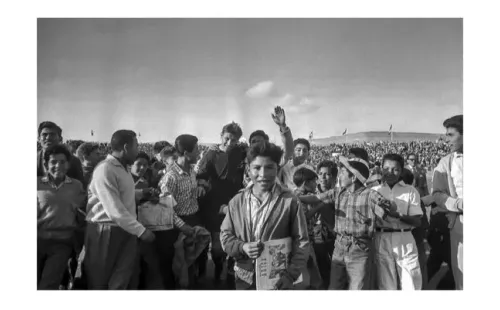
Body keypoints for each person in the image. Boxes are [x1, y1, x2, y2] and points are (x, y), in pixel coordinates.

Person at [220, 141, 309, 290]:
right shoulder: (237, 202)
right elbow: (225, 235)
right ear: (248, 170)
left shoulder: (289, 201)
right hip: (244, 279)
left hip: (278, 280)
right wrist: (243, 247)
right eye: (257, 168)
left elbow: (301, 241)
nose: (263, 174)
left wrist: (290, 275)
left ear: (277, 169)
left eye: (269, 167)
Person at [297, 156, 396, 290]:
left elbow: (388, 207)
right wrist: (294, 197)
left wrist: (388, 206)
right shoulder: (338, 192)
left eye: (343, 172)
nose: (339, 176)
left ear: (353, 178)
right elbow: (315, 198)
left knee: (357, 288)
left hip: (359, 249)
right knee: (335, 287)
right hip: (339, 247)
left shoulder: (370, 195)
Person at [84, 130, 156, 290]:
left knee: (121, 280)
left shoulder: (123, 169)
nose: (138, 150)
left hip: (126, 229)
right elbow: (113, 209)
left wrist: (143, 193)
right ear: (126, 147)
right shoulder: (105, 169)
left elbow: (122, 196)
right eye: (136, 146)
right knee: (101, 280)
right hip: (106, 230)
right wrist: (141, 231)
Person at [196, 122, 247, 285]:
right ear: (221, 136)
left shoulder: (241, 153)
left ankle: (231, 273)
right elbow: (201, 175)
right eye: (227, 138)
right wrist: (202, 185)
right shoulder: (211, 154)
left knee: (235, 240)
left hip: (235, 203)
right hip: (214, 203)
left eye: (233, 140)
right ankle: (217, 273)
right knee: (217, 245)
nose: (229, 143)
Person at [159, 134, 207, 287]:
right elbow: (166, 207)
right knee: (181, 265)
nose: (199, 153)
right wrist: (182, 226)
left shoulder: (191, 171)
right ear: (186, 153)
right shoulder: (170, 177)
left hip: (195, 219)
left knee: (194, 261)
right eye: (196, 150)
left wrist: (200, 187)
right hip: (179, 225)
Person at [37, 145, 86, 290]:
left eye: (62, 162)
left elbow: (84, 209)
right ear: (46, 165)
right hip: (36, 241)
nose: (58, 166)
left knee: (48, 285)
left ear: (68, 164)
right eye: (53, 162)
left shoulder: (76, 186)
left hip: (62, 243)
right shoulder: (36, 184)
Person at [372, 154, 423, 290]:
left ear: (401, 171)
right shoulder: (374, 191)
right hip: (382, 237)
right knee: (386, 284)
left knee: (411, 282)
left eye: (395, 169)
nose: (390, 173)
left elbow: (417, 221)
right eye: (386, 168)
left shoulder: (410, 191)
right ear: (381, 169)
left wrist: (398, 215)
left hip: (404, 238)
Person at [432, 115, 463, 290]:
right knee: (462, 278)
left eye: (451, 135)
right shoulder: (446, 162)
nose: (446, 139)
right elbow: (437, 195)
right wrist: (458, 205)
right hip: (460, 224)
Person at [293, 168, 323, 289]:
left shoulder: (295, 194)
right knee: (313, 276)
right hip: (304, 242)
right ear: (306, 183)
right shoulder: (299, 197)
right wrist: (320, 205)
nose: (316, 184)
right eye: (314, 181)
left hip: (304, 241)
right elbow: (303, 218)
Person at [401, 167, 429, 289]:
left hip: (412, 242)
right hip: (416, 242)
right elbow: (424, 224)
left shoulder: (411, 196)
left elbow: (421, 223)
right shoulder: (415, 196)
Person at [37, 122, 85, 187]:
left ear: (60, 138)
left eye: (52, 134)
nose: (48, 138)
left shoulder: (73, 161)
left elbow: (81, 188)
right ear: (39, 138)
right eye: (44, 134)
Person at [313, 160, 337, 289]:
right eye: (320, 173)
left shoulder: (339, 194)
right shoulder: (311, 193)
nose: (322, 177)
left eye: (327, 174)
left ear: (334, 177)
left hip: (335, 237)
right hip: (316, 238)